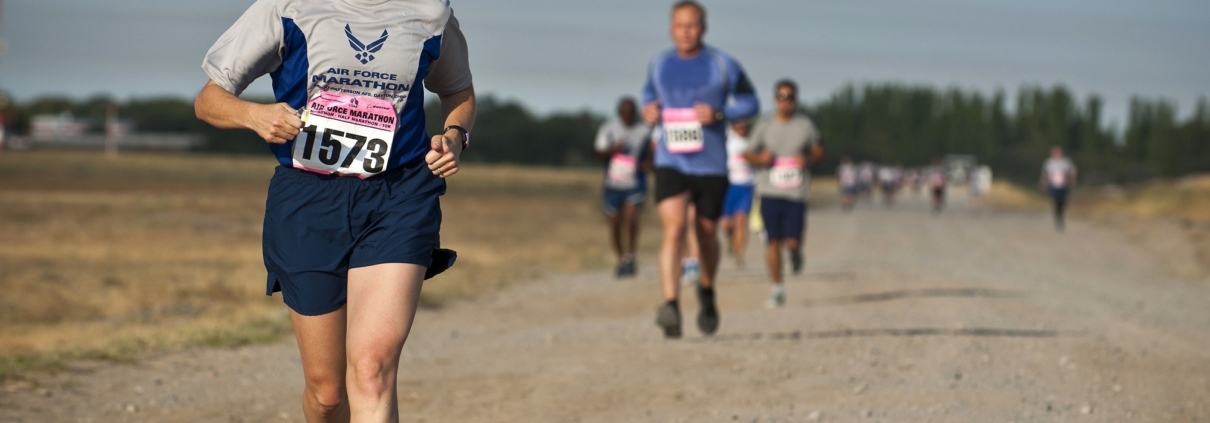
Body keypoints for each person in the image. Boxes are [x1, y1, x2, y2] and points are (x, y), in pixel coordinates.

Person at [194, 1, 474, 422]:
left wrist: (454, 136)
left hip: (399, 195)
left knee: (371, 370)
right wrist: (255, 116)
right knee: (327, 393)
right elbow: (208, 100)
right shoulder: (287, 7)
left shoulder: (429, 11)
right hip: (308, 200)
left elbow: (458, 90)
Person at [642, 0, 759, 338]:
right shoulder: (659, 64)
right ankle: (671, 305)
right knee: (674, 229)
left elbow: (751, 102)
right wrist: (648, 111)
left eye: (692, 25)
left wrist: (721, 113)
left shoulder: (723, 64)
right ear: (670, 28)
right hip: (671, 160)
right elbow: (648, 97)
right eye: (680, 25)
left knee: (706, 234)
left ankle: (706, 291)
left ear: (703, 28)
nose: (686, 31)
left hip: (710, 165)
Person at [743, 79, 822, 308]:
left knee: (792, 241)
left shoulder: (805, 126)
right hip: (769, 191)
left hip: (795, 194)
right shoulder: (764, 126)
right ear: (774, 99)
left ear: (796, 100)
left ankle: (795, 253)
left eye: (790, 97)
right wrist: (760, 159)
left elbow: (819, 151)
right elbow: (747, 153)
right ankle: (777, 288)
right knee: (772, 241)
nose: (786, 101)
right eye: (781, 96)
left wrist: (806, 159)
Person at [594, 97, 652, 278]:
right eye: (625, 112)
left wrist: (648, 163)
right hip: (613, 183)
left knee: (631, 217)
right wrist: (613, 150)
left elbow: (653, 151)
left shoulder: (644, 130)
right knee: (615, 223)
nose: (628, 116)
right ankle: (621, 259)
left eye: (631, 112)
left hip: (634, 183)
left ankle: (630, 255)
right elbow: (598, 153)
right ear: (619, 113)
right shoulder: (608, 129)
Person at [720, 119, 755, 267]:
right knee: (727, 225)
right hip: (728, 186)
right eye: (738, 124)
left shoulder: (752, 142)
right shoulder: (727, 140)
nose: (741, 126)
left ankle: (739, 255)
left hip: (746, 186)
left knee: (741, 221)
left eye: (743, 124)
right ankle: (730, 239)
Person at [1040, 146, 1077, 231]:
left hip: (1064, 185)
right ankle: (1058, 216)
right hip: (1054, 185)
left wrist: (1073, 181)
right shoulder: (1049, 163)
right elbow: (1045, 174)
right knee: (1056, 201)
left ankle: (1061, 214)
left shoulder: (1066, 162)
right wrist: (1043, 183)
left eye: (1059, 152)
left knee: (1063, 201)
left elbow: (1072, 172)